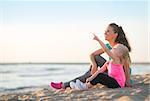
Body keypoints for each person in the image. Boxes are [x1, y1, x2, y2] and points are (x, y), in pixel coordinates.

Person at [50, 23, 132, 89]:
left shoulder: (120, 47)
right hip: (111, 70)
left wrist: (127, 82)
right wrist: (94, 65)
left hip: (119, 76)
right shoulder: (108, 46)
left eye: (108, 31)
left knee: (91, 73)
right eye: (105, 31)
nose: (105, 33)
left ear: (115, 34)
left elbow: (127, 66)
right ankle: (73, 83)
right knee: (93, 65)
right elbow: (92, 55)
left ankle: (65, 85)